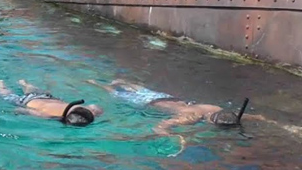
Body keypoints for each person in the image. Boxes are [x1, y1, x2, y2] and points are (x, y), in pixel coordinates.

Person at [87, 79, 268, 144]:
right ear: (212, 122)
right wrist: (172, 137)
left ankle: (119, 81)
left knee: (140, 88)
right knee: (116, 94)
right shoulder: (191, 118)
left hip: (168, 98)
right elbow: (160, 127)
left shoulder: (215, 109)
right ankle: (97, 84)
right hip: (150, 104)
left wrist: (262, 119)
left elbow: (248, 115)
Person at [0, 79, 103, 126]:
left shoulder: (78, 106)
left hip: (46, 97)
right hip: (28, 101)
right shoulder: (48, 115)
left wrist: (97, 112)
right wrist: (16, 111)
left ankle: (23, 83)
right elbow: (22, 110)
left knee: (32, 90)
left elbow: (95, 107)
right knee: (6, 95)